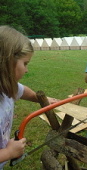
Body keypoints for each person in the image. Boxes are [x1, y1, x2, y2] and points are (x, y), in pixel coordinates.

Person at [0, 25, 58, 169]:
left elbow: (23, 91)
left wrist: (41, 99)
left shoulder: (7, 88)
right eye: (25, 63)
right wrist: (7, 153)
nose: (27, 70)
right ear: (7, 62)